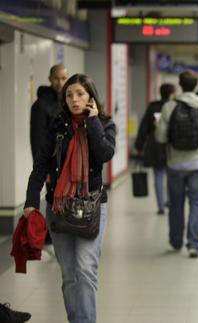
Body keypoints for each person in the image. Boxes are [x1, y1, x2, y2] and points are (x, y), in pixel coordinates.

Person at [23, 74, 116, 323]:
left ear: (91, 96)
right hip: (59, 205)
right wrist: (31, 201)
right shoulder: (56, 126)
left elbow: (105, 153)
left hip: (92, 206)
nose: (74, 99)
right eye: (69, 95)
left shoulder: (105, 123)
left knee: (85, 268)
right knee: (69, 273)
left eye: (80, 94)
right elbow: (40, 165)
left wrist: (93, 121)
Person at [155, 70, 198, 258]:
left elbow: (160, 137)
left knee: (175, 204)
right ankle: (193, 244)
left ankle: (176, 241)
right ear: (195, 85)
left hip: (175, 164)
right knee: (196, 202)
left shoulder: (169, 106)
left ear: (180, 84)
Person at [30, 64, 68, 254]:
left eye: (63, 78)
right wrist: (41, 169)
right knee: (53, 198)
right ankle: (48, 239)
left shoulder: (67, 101)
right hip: (50, 164)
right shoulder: (40, 105)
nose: (59, 82)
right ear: (49, 78)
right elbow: (36, 140)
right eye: (56, 78)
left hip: (66, 163)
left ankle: (61, 235)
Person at [135, 83, 176, 215]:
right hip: (170, 144)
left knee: (158, 175)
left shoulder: (152, 106)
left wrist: (139, 144)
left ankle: (161, 207)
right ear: (171, 94)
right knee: (171, 176)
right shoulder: (174, 107)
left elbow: (144, 126)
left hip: (155, 144)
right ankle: (171, 202)